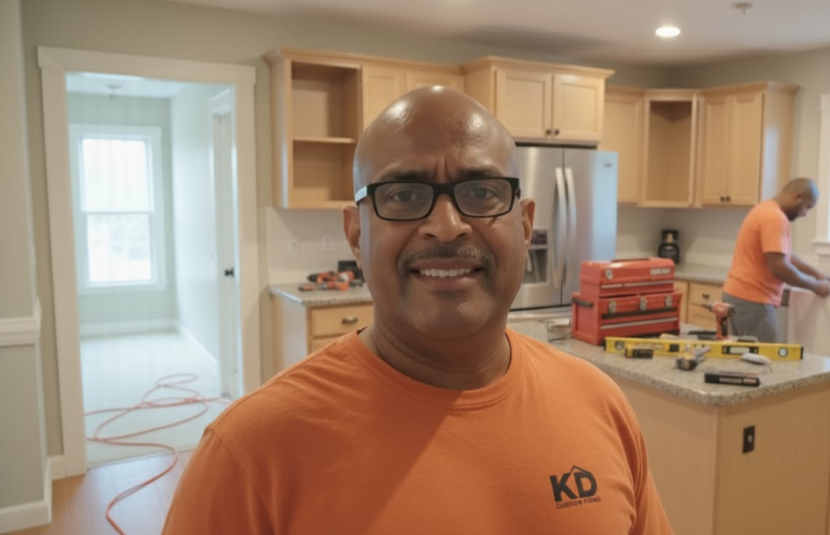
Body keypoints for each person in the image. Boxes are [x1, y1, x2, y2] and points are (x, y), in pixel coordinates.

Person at [163, 87, 671, 534]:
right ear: (357, 235)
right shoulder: (251, 453)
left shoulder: (599, 404)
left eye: (481, 191)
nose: (447, 226)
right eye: (404, 194)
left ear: (524, 225)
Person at [721, 178, 830, 343]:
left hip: (740, 296)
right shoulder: (775, 218)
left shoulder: (764, 209)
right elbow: (780, 268)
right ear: (797, 197)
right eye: (807, 207)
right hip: (753, 300)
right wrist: (816, 287)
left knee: (742, 359)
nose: (806, 213)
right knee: (764, 361)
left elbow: (784, 254)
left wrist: (817, 274)